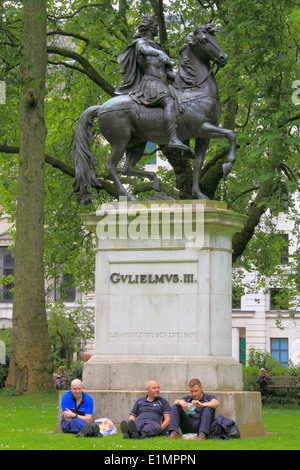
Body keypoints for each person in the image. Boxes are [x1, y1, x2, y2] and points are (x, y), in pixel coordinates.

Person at [116, 14, 189, 152]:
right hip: (151, 83)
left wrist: (183, 77)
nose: (157, 28)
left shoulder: (158, 47)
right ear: (149, 28)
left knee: (184, 103)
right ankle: (173, 138)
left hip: (163, 84)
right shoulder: (141, 43)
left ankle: (185, 141)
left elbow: (169, 73)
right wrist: (158, 53)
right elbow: (145, 50)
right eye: (155, 26)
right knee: (169, 101)